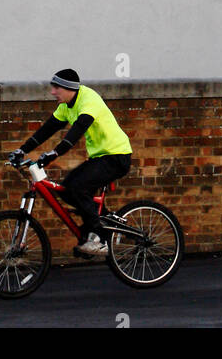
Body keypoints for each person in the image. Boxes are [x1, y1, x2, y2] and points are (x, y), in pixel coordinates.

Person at [9, 68, 132, 258]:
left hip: (116, 156)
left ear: (68, 88)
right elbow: (47, 129)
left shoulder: (89, 101)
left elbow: (76, 131)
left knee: (77, 187)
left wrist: (54, 153)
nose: (52, 92)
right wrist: (22, 150)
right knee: (67, 189)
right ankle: (102, 223)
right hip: (99, 157)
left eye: (56, 87)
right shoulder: (66, 106)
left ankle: (99, 238)